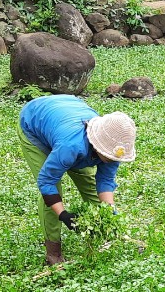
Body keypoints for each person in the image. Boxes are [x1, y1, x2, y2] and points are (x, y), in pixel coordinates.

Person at [18, 94, 136, 266]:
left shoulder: (115, 148)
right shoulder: (71, 145)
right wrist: (63, 215)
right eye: (108, 156)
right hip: (34, 122)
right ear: (98, 145)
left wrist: (110, 214)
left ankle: (103, 235)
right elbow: (46, 182)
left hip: (65, 115)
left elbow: (105, 182)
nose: (112, 160)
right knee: (53, 194)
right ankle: (54, 253)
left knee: (87, 181)